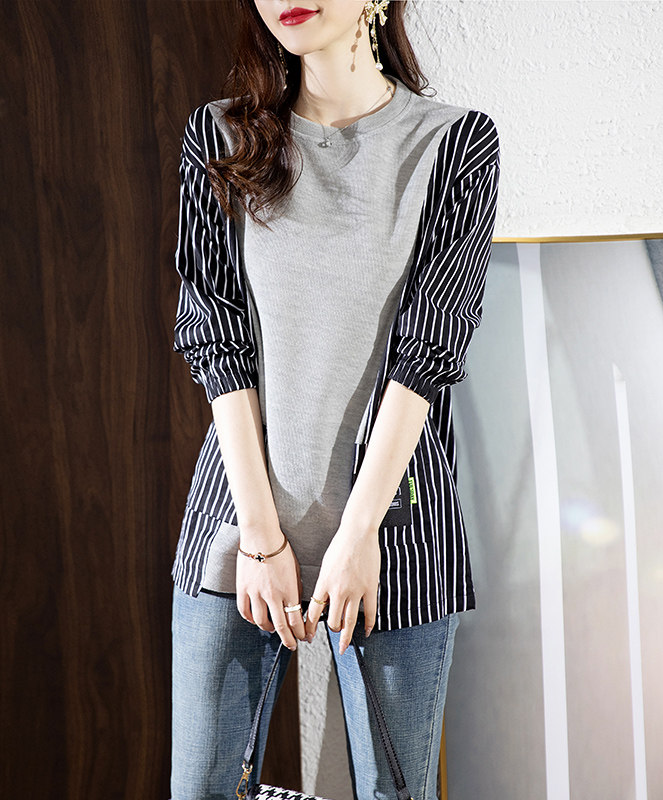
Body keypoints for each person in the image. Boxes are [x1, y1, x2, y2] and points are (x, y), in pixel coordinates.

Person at [169, 1, 500, 798]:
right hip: (240, 527)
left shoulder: (454, 143)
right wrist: (260, 541)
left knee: (394, 791)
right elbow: (216, 340)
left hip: (393, 535)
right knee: (202, 789)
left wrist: (356, 537)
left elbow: (427, 356)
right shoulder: (220, 136)